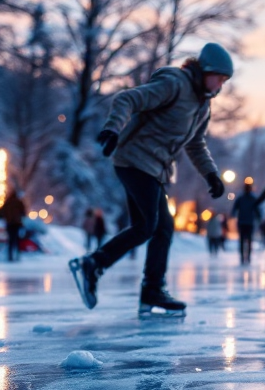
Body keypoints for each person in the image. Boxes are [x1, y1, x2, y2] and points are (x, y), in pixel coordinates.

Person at [68, 42, 232, 318]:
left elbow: (195, 144)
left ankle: (150, 291)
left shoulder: (203, 106)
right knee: (148, 226)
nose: (220, 85)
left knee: (161, 228)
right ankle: (94, 264)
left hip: (155, 169)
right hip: (134, 159)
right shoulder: (174, 83)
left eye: (224, 81)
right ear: (205, 70)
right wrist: (112, 128)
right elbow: (127, 99)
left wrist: (210, 174)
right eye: (218, 77)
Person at [231, 181, 259, 266]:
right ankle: (247, 257)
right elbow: (257, 210)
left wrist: (233, 214)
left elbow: (234, 208)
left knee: (242, 240)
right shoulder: (252, 198)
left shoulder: (241, 198)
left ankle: (243, 257)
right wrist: (259, 217)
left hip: (243, 222)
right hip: (248, 222)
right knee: (248, 240)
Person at [0, 190, 27, 262]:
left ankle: (10, 256)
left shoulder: (7, 202)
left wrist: (6, 218)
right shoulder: (19, 202)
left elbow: (2, 211)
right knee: (17, 240)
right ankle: (17, 255)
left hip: (9, 223)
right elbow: (23, 212)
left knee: (10, 240)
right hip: (17, 223)